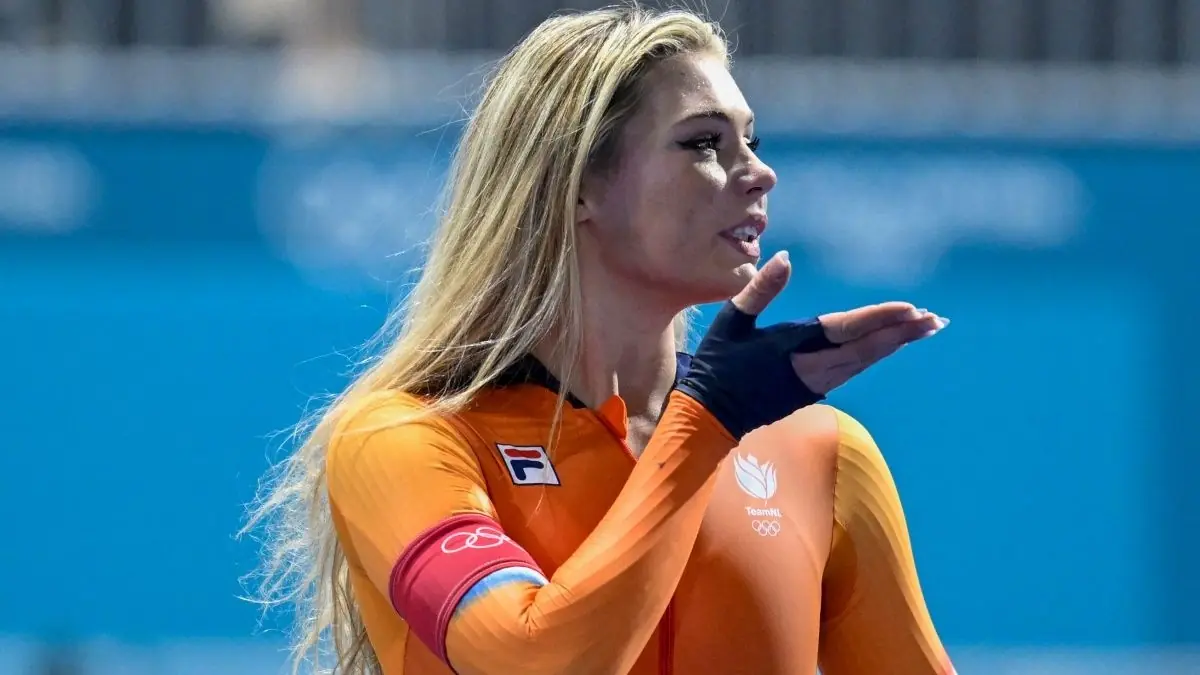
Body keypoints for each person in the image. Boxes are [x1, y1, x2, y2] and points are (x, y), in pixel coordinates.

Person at [244, 6, 956, 675]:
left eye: (752, 140)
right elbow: (529, 663)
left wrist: (712, 416)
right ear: (579, 185)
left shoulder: (824, 455)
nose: (760, 172)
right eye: (704, 143)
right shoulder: (404, 440)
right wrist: (708, 420)